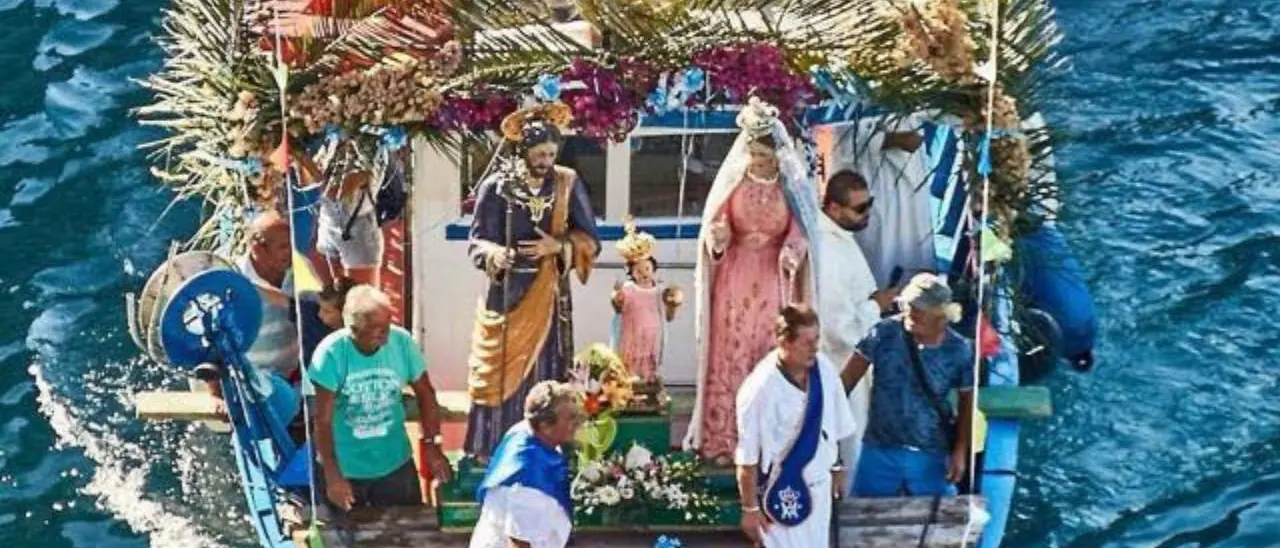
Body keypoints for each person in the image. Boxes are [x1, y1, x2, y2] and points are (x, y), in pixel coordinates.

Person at [463, 102, 601, 460]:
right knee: (498, 373)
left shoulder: (566, 183)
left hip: (549, 296)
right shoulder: (496, 186)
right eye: (538, 153)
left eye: (551, 154)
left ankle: (547, 445)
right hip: (506, 295)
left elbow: (590, 239)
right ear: (522, 151)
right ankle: (490, 447)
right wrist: (495, 255)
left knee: (546, 370)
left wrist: (558, 246)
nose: (545, 160)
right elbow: (476, 241)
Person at [687, 97, 820, 464]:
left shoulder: (789, 189)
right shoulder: (735, 185)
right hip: (736, 276)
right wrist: (718, 237)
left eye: (764, 156)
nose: (758, 162)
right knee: (733, 350)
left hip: (774, 278)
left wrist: (793, 252)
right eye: (753, 155)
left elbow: (802, 231)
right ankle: (724, 439)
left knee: (767, 349)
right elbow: (721, 220)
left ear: (778, 155)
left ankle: (772, 441)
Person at [309, 285, 452, 510]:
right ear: (353, 329)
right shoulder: (331, 354)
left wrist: (431, 444)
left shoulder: (402, 343)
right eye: (375, 329)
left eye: (387, 325)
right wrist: (332, 475)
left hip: (395, 464)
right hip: (348, 467)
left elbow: (425, 394)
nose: (384, 335)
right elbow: (322, 421)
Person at [840, 274, 974, 497]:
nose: (912, 311)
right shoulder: (882, 333)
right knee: (863, 513)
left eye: (920, 307)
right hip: (879, 449)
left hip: (931, 452)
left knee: (940, 519)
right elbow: (843, 385)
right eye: (910, 304)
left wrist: (960, 450)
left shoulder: (958, 350)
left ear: (941, 315)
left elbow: (967, 402)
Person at [735, 305, 856, 548]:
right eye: (806, 341)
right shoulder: (759, 389)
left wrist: (838, 466)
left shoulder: (825, 370)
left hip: (820, 492)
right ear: (785, 342)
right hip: (781, 492)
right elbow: (747, 459)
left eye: (817, 339)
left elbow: (838, 424)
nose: (814, 348)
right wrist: (749, 508)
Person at [816, 169, 900, 494]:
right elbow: (838, 327)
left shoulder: (839, 239)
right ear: (834, 209)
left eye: (869, 204)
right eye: (860, 208)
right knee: (850, 441)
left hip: (858, 359)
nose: (867, 214)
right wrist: (877, 306)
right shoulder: (829, 252)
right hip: (844, 364)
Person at [469, 381, 583, 548]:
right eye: (570, 418)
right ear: (545, 425)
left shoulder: (524, 431)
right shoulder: (528, 483)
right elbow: (518, 543)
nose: (577, 423)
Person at [610, 221, 682, 382]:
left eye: (647, 269)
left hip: (652, 333)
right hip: (632, 333)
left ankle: (649, 383)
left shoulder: (659, 290)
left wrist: (673, 301)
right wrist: (616, 297)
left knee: (650, 361)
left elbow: (668, 310)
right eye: (639, 270)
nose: (644, 273)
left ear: (653, 269)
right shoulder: (628, 289)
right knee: (630, 363)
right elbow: (618, 307)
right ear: (631, 273)